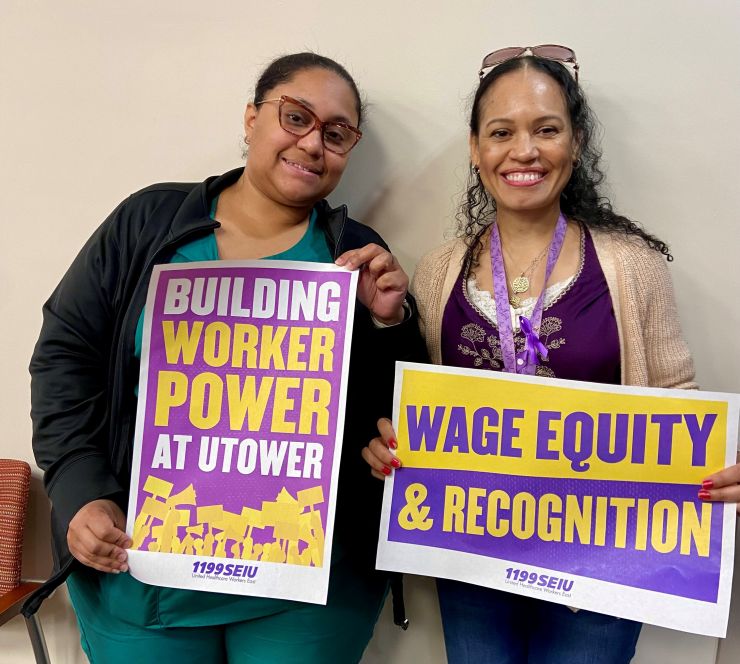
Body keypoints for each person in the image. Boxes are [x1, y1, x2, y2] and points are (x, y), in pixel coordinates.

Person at [28, 52, 426, 664]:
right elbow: (65, 354)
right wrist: (81, 487)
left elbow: (391, 412)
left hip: (305, 589)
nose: (313, 143)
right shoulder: (148, 222)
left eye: (336, 133)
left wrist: (389, 322)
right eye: (296, 117)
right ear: (251, 119)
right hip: (140, 569)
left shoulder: (356, 254)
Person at [361, 45, 736, 664]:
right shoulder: (437, 271)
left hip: (605, 564)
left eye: (547, 129)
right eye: (501, 132)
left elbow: (676, 400)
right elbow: (421, 403)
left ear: (577, 142)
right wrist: (390, 444)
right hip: (472, 558)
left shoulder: (631, 266)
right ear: (476, 148)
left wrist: (718, 464)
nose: (524, 151)